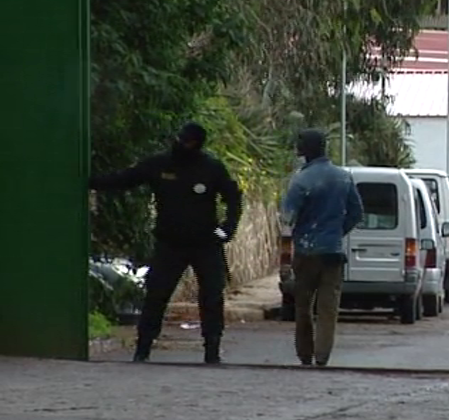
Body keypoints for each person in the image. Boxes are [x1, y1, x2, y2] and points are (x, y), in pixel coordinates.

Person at [89, 122, 242, 364]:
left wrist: (227, 230)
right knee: (156, 295)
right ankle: (143, 348)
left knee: (212, 296)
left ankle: (212, 349)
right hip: (170, 243)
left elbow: (233, 198)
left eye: (189, 142)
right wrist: (90, 181)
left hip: (205, 243)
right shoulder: (161, 164)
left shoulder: (211, 167)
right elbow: (126, 178)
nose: (184, 145)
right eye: (182, 140)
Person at [280, 129, 364, 367]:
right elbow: (357, 213)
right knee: (328, 308)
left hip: (306, 252)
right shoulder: (343, 177)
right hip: (332, 252)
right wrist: (338, 231)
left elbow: (288, 218)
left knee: (303, 305)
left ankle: (304, 353)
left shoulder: (301, 180)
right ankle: (322, 355)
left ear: (306, 149)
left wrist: (289, 250)